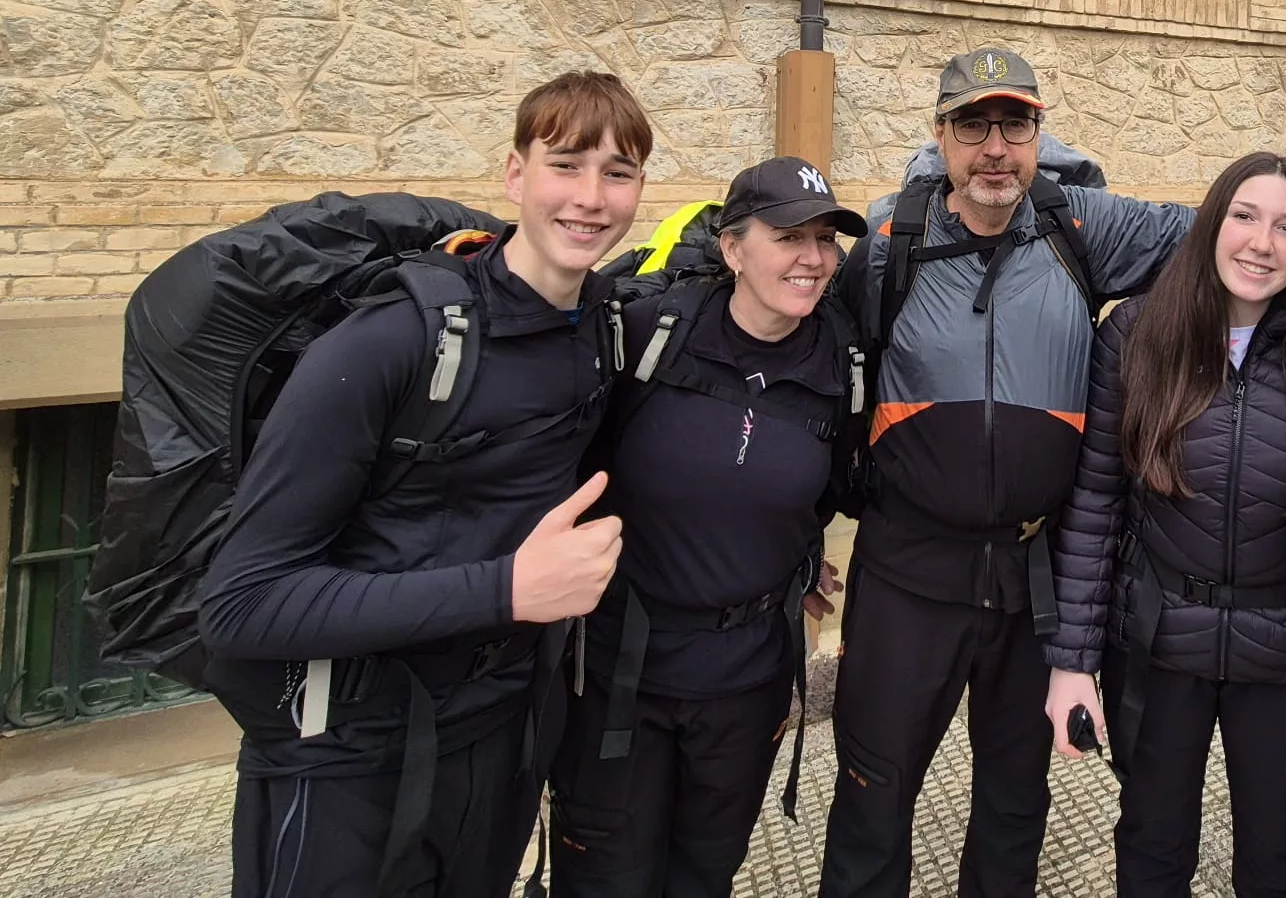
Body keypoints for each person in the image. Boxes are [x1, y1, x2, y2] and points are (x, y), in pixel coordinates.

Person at [199, 72, 650, 898]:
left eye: (617, 173)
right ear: (515, 175)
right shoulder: (390, 342)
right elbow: (239, 604)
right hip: (348, 752)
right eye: (566, 164)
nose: (590, 197)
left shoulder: (601, 330)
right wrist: (508, 588)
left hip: (502, 735)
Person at [817, 47, 1195, 898]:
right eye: (972, 126)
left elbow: (1229, 239)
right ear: (940, 137)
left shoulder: (1080, 224)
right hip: (908, 571)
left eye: (1014, 124)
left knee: (1014, 802)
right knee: (873, 795)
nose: (995, 147)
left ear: (1038, 133)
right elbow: (810, 376)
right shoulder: (888, 241)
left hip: (1035, 579)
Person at [551, 157, 866, 896]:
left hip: (747, 679)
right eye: (790, 236)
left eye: (824, 239)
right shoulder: (648, 335)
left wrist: (793, 553)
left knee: (705, 873)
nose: (813, 258)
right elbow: (574, 471)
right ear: (732, 249)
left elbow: (819, 493)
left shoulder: (842, 365)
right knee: (604, 876)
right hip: (624, 671)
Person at [1044, 152, 1286, 898]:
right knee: (1151, 840)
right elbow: (1095, 504)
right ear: (1212, 223)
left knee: (1280, 857)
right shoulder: (1139, 334)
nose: (1261, 243)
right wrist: (1073, 661)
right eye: (1244, 217)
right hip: (1158, 645)